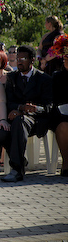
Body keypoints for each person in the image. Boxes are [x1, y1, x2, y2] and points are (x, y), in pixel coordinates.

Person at [1, 45, 53, 182]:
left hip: (36, 120)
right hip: (16, 116)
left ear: (32, 60)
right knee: (1, 131)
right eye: (17, 58)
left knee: (20, 121)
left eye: (23, 58)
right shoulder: (11, 77)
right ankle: (20, 160)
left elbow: (49, 106)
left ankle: (16, 170)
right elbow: (8, 101)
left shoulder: (44, 79)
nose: (19, 61)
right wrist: (19, 108)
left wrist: (35, 109)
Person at [49, 34, 68, 176]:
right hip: (63, 115)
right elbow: (54, 100)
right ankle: (66, 162)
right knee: (63, 126)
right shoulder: (58, 77)